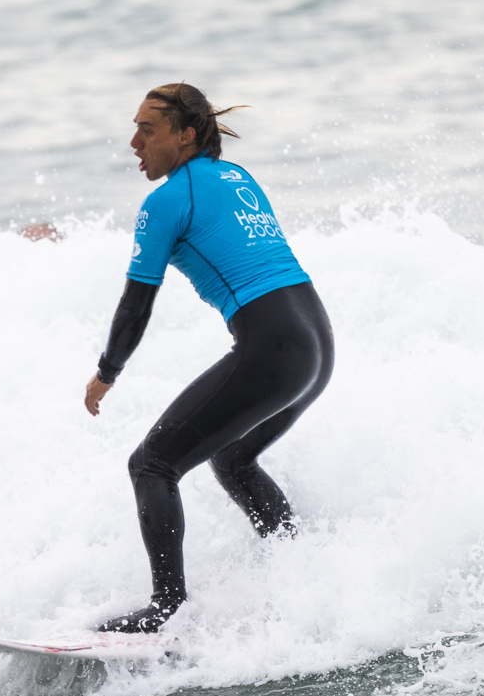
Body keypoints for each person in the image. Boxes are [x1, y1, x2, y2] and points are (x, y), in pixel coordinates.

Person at [84, 83, 335, 633]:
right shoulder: (237, 177)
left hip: (275, 347)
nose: (134, 142)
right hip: (317, 345)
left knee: (151, 465)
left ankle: (166, 612)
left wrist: (107, 373)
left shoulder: (167, 201)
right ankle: (303, 582)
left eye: (147, 130)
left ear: (185, 135)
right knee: (233, 459)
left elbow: (135, 305)